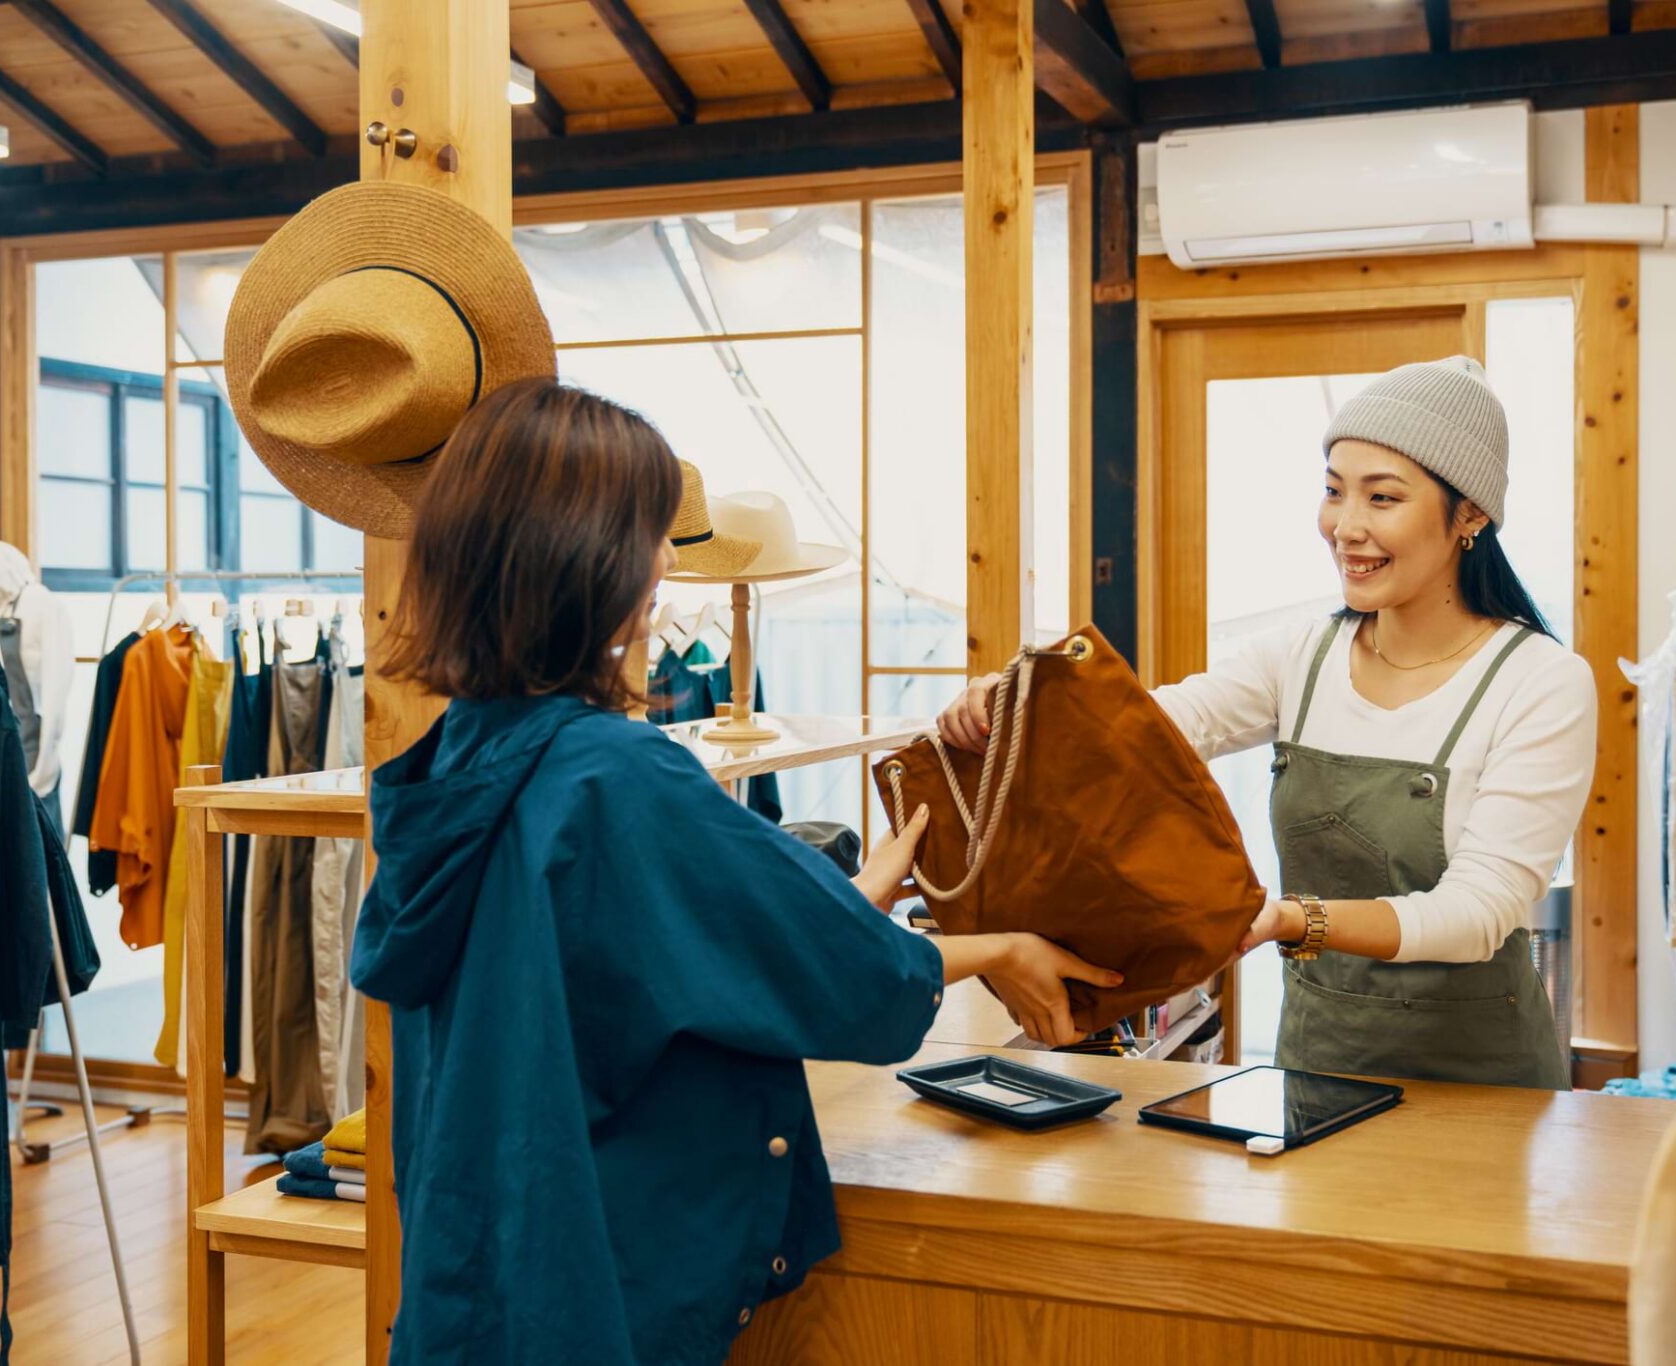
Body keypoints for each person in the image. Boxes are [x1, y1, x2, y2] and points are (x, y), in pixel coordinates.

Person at [349, 378, 1119, 1364]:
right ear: (577, 552)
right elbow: (863, 990)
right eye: (647, 532)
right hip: (598, 1281)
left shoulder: (454, 762)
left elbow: (629, 960)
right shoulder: (613, 775)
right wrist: (1001, 944)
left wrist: (840, 905)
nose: (666, 560)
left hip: (479, 1273)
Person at [941, 357, 1596, 1089]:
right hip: (1317, 1065)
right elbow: (1143, 729)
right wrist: (1016, 703)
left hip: (1481, 1085)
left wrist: (1290, 920)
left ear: (1470, 514)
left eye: (1383, 498)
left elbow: (1476, 913)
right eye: (1334, 491)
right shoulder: (1302, 657)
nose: (1346, 527)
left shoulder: (1541, 683)